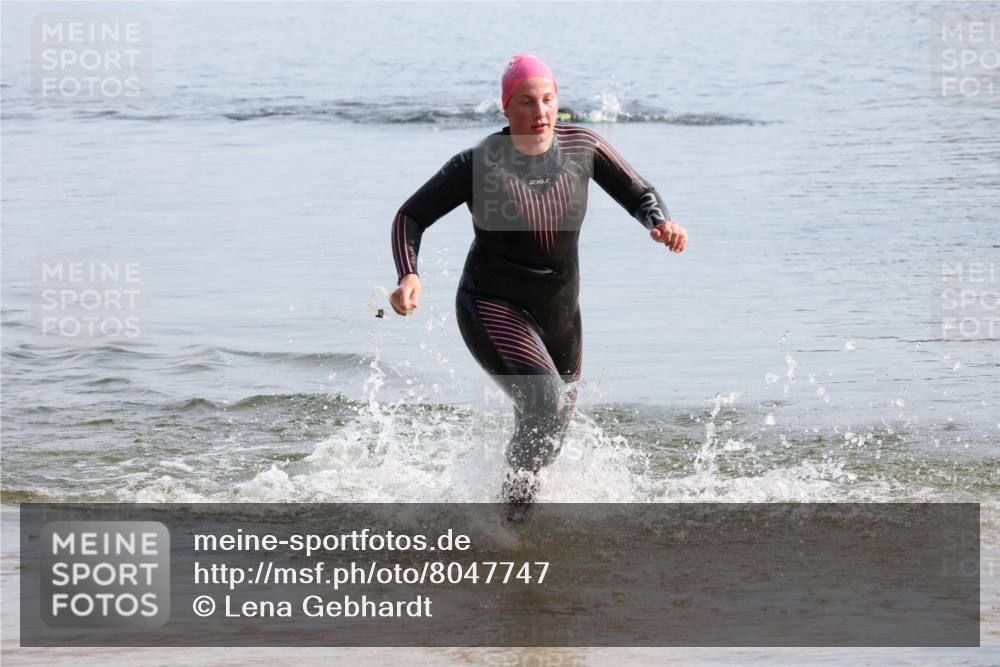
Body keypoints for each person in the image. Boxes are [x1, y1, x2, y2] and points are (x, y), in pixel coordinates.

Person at [388, 54, 687, 512]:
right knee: (544, 405)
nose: (541, 112)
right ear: (507, 109)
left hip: (561, 315)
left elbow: (640, 193)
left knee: (551, 426)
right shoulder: (480, 163)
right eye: (526, 102)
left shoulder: (584, 148)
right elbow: (410, 215)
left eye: (548, 100)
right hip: (491, 305)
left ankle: (515, 515)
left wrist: (661, 222)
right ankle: (513, 524)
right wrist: (409, 273)